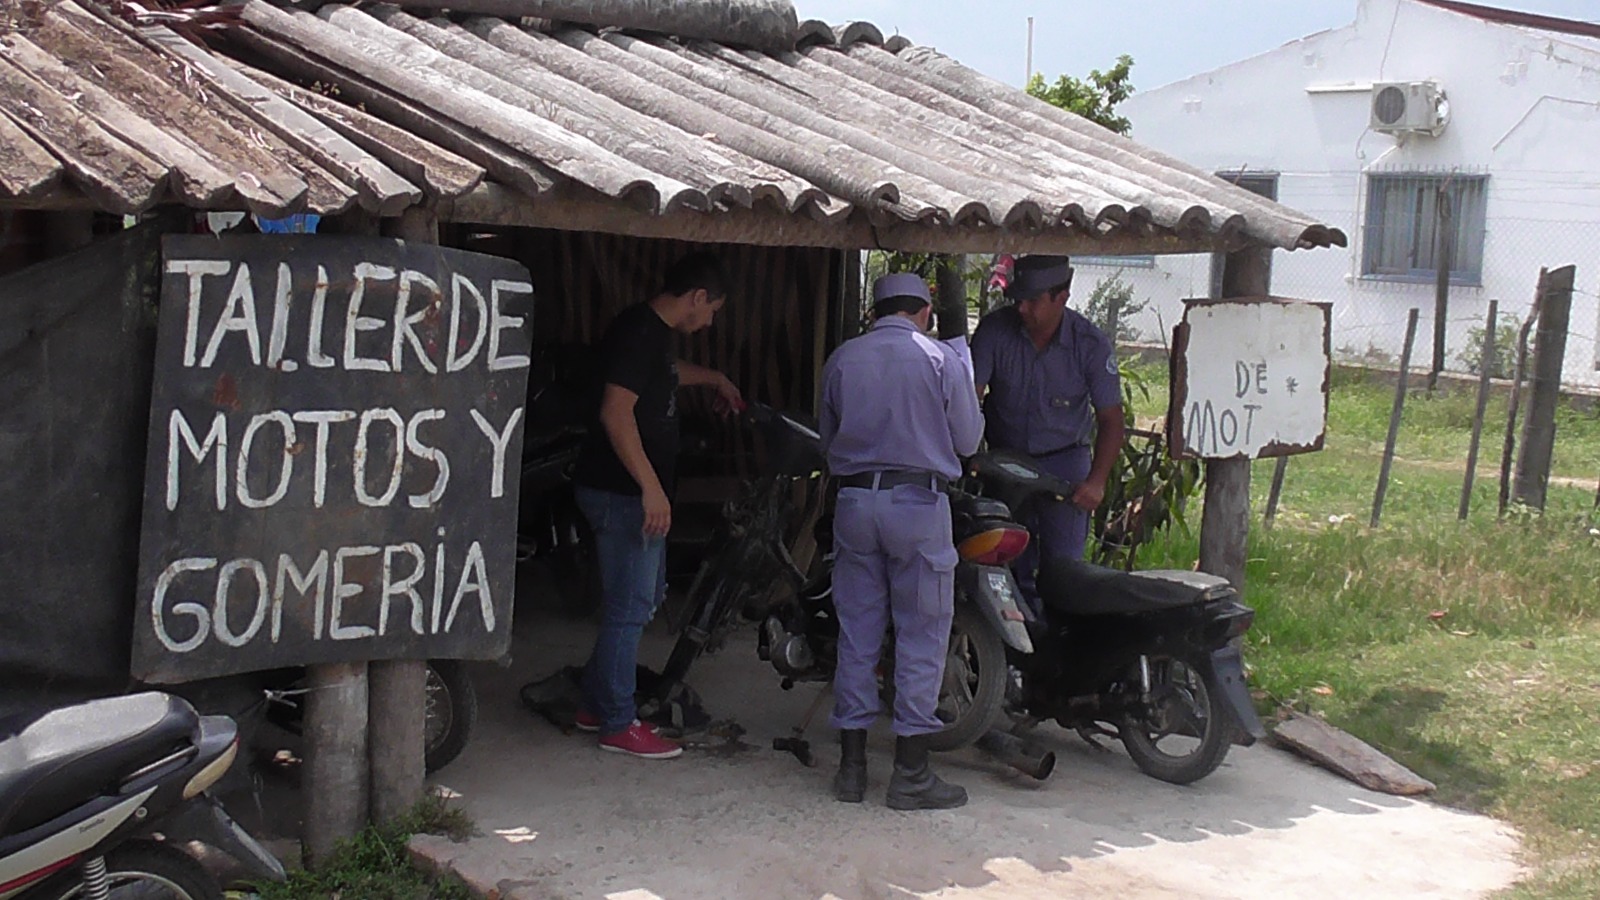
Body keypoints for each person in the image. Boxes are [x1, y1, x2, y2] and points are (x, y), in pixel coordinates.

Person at [818, 272, 985, 809]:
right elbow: (968, 440)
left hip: (855, 503)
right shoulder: (940, 360)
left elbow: (828, 438)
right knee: (920, 634)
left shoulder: (843, 359)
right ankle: (910, 774)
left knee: (858, 630)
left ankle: (850, 770)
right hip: (918, 505)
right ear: (925, 311)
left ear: (876, 311)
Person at [570, 252, 743, 760]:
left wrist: (715, 379)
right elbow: (616, 412)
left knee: (638, 602)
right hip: (621, 493)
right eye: (712, 309)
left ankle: (593, 704)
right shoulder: (639, 332)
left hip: (628, 492)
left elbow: (665, 375)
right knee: (630, 609)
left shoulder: (650, 335)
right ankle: (618, 723)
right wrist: (650, 487)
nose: (710, 320)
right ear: (696, 297)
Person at [970, 254, 1125, 610]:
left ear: (1062, 296)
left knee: (1065, 572)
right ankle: (1014, 655)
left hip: (1065, 466)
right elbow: (969, 399)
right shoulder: (995, 331)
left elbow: (1112, 420)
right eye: (1017, 298)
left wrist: (1097, 482)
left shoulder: (1089, 343)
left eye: (1033, 300)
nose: (1022, 308)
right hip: (1005, 463)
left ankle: (1062, 649)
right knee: (1004, 568)